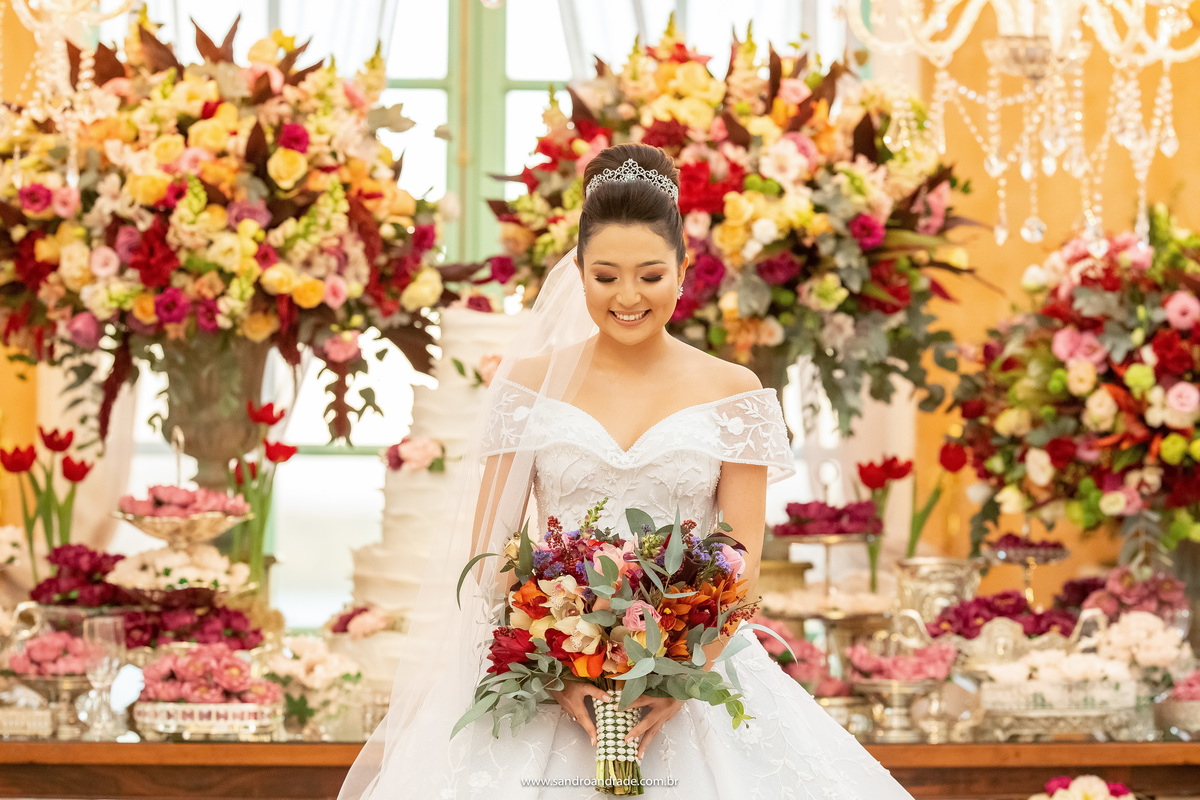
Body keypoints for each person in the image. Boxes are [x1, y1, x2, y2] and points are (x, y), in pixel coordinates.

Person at [340, 143, 914, 798]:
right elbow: (493, 555)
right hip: (554, 679)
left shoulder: (734, 391)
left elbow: (742, 559)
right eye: (606, 276)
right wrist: (556, 671)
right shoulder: (526, 387)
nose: (628, 296)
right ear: (577, 271)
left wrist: (682, 676)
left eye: (649, 274)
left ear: (683, 268)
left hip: (699, 671)